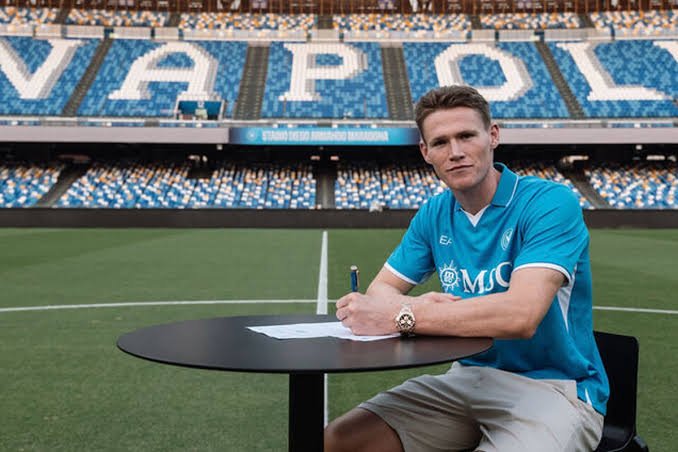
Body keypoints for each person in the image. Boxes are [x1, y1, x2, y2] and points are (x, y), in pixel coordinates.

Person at [324, 85, 609, 452]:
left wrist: (405, 315)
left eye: (466, 136)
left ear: (493, 136)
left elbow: (520, 316)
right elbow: (380, 291)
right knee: (338, 441)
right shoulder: (434, 212)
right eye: (440, 142)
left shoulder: (549, 202)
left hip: (554, 387)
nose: (455, 152)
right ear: (426, 152)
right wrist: (415, 306)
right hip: (467, 378)